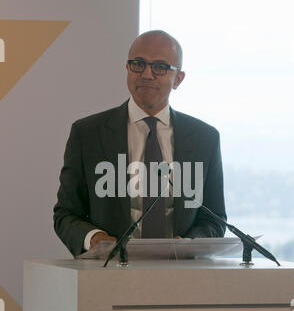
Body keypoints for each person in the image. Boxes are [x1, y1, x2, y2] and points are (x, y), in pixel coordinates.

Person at [53, 30, 226, 257]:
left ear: (179, 79)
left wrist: (190, 244)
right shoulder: (87, 134)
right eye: (138, 64)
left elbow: (214, 220)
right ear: (127, 69)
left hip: (181, 274)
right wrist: (94, 238)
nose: (146, 74)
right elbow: (65, 214)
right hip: (109, 273)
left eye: (160, 67)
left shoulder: (205, 138)